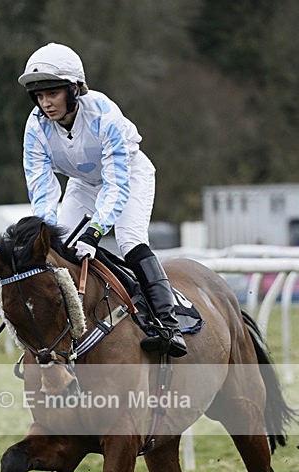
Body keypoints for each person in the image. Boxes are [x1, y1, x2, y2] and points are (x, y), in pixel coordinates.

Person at [18, 42, 187, 358]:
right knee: (60, 247)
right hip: (83, 184)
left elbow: (116, 184)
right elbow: (42, 191)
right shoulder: (35, 126)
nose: (46, 103)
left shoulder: (104, 113)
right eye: (39, 96)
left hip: (128, 176)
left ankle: (168, 324)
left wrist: (95, 231)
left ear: (74, 89)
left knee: (129, 240)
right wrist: (46, 235)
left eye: (52, 93)